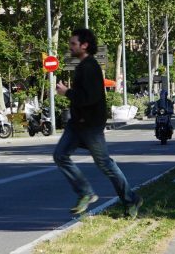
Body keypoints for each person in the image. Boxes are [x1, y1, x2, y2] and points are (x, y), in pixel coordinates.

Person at [54, 28, 142, 217]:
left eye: (73, 44)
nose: (70, 47)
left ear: (84, 45)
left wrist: (66, 92)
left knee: (105, 164)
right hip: (76, 124)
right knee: (60, 155)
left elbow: (90, 98)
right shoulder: (82, 66)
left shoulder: (90, 67)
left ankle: (130, 199)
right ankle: (86, 193)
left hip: (90, 126)